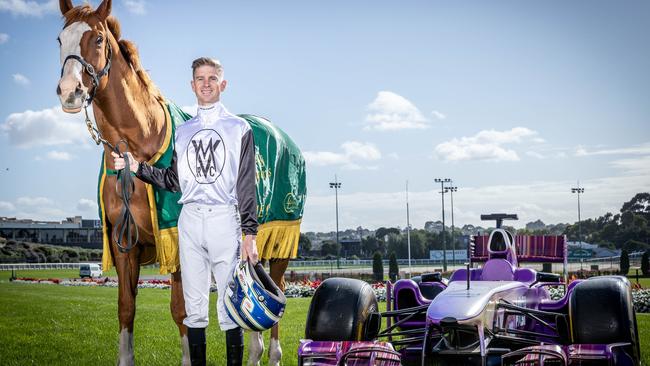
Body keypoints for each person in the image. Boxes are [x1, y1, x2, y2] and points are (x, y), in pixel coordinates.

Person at [112, 57, 258, 366]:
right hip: (189, 219)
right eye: (200, 78)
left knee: (229, 308)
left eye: (212, 78)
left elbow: (246, 185)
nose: (206, 83)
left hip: (223, 218)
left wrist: (250, 233)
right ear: (192, 85)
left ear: (223, 84)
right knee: (194, 308)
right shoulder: (183, 131)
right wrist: (135, 167)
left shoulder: (239, 128)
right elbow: (173, 180)